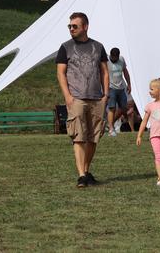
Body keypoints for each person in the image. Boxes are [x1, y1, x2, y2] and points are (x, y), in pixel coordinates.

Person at [56, 12, 109, 188]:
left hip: (96, 98)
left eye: (75, 26)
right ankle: (81, 175)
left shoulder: (98, 47)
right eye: (69, 26)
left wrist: (106, 95)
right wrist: (68, 97)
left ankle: (86, 172)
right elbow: (61, 73)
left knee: (93, 138)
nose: (71, 29)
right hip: (76, 98)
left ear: (85, 26)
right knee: (78, 137)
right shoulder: (65, 47)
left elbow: (104, 71)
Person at [106, 47, 132, 136]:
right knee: (112, 108)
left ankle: (110, 124)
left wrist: (129, 84)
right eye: (113, 57)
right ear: (111, 55)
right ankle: (111, 129)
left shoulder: (121, 59)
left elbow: (125, 72)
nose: (114, 59)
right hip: (110, 88)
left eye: (116, 57)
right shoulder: (106, 61)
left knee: (124, 108)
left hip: (121, 87)